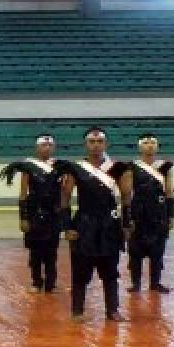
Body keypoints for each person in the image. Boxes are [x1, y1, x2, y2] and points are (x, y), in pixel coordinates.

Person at [57, 126, 132, 322]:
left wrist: (126, 224)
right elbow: (64, 197)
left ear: (106, 144)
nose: (96, 145)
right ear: (85, 144)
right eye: (92, 141)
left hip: (109, 225)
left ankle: (113, 309)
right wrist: (67, 226)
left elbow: (126, 197)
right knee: (80, 271)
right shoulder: (76, 168)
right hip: (84, 224)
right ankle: (77, 310)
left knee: (110, 271)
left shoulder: (118, 168)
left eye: (100, 142)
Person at [0, 133, 61, 293]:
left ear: (54, 148)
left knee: (51, 251)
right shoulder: (28, 166)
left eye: (49, 145)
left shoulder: (60, 166)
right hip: (34, 212)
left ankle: (50, 283)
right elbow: (23, 193)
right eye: (43, 145)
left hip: (53, 214)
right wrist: (23, 217)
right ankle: (36, 281)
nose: (46, 148)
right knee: (35, 251)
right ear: (37, 147)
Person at [126, 133, 173, 294]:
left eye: (153, 142)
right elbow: (127, 193)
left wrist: (171, 215)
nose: (150, 145)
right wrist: (128, 217)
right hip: (139, 211)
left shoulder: (165, 166)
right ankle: (136, 283)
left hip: (159, 212)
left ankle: (155, 283)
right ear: (140, 147)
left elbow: (169, 192)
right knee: (135, 250)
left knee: (158, 250)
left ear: (157, 146)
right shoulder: (132, 166)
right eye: (146, 143)